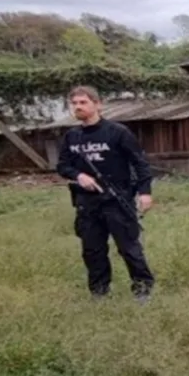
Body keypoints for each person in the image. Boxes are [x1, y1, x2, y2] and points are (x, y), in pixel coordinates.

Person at [55, 85, 155, 302]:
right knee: (92, 251)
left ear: (97, 104)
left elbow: (140, 163)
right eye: (74, 103)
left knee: (129, 249)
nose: (78, 107)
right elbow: (62, 166)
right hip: (86, 203)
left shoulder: (117, 132)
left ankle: (143, 290)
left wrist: (145, 192)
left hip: (117, 200)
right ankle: (100, 293)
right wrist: (79, 175)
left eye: (83, 102)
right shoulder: (72, 136)